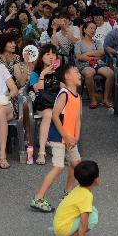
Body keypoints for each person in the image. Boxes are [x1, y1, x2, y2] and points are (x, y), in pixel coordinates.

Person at [30, 64, 82, 213]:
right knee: (59, 167)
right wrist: (66, 135)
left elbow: (77, 118)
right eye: (76, 72)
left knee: (75, 164)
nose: (79, 74)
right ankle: (38, 198)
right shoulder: (64, 93)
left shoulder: (77, 95)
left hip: (70, 138)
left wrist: (76, 136)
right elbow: (55, 115)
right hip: (59, 137)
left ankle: (68, 192)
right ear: (67, 77)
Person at [51, 160, 100, 236]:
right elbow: (83, 221)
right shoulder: (86, 195)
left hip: (60, 225)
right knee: (93, 218)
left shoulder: (79, 188)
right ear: (96, 179)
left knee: (93, 210)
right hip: (63, 228)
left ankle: (74, 235)